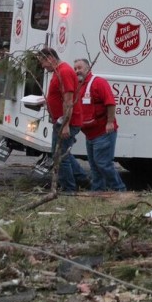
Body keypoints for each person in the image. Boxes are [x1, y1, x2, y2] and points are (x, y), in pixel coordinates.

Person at [37, 47, 90, 193]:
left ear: (51, 58)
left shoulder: (64, 71)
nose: (43, 66)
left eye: (43, 62)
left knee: (59, 156)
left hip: (67, 122)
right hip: (60, 121)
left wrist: (66, 125)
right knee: (63, 153)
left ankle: (69, 189)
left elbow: (68, 101)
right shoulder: (58, 71)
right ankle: (81, 178)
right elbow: (60, 97)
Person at [73, 58, 127, 192]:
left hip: (103, 132)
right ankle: (97, 191)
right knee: (94, 165)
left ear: (88, 68)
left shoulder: (98, 83)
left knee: (103, 164)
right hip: (90, 135)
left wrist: (110, 122)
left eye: (79, 68)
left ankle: (119, 190)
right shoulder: (79, 86)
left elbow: (111, 103)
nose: (77, 71)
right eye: (75, 69)